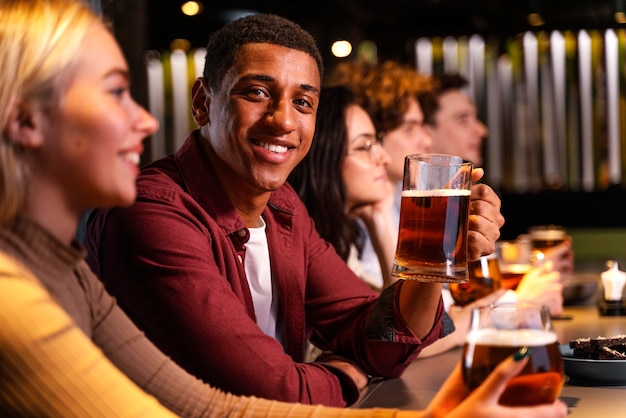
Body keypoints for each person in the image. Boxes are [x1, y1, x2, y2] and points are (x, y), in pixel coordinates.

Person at [84, 13, 505, 408]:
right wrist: (348, 373)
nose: (283, 120)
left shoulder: (282, 207)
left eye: (303, 103)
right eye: (257, 92)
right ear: (202, 102)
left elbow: (378, 331)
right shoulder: (151, 215)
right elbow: (275, 392)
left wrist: (434, 260)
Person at [325, 60, 438, 288]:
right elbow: (400, 314)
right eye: (409, 128)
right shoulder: (330, 235)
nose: (427, 140)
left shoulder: (390, 199)